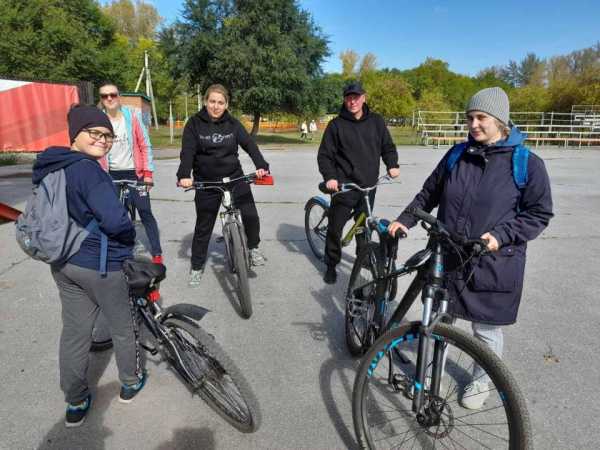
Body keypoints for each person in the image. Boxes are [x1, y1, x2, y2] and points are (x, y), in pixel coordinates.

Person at [388, 87, 553, 409]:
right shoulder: (456, 155)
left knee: (485, 329)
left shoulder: (527, 164)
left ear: (500, 121)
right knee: (437, 321)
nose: (473, 124)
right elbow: (428, 193)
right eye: (470, 118)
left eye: (481, 118)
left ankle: (482, 381)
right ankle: (427, 374)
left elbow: (539, 213)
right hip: (448, 255)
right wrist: (403, 220)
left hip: (493, 261)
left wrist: (502, 236)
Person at [33, 105, 146, 427]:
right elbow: (114, 220)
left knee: (75, 333)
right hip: (100, 264)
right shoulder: (89, 171)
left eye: (108, 136)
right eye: (94, 133)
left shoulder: (51, 165)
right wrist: (128, 236)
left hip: (63, 262)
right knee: (123, 326)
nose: (103, 140)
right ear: (76, 135)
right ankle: (129, 382)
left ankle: (76, 401)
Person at [177, 84, 270, 287]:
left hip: (234, 178)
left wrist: (261, 165)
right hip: (207, 182)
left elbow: (249, 145)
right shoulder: (194, 124)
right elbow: (188, 152)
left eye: (221, 102)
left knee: (251, 215)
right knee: (204, 227)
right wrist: (184, 174)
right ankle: (196, 266)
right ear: (205, 101)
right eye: (212, 101)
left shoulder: (233, 123)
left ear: (226, 104)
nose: (216, 106)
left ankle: (253, 248)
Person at [317, 82, 400, 284]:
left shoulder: (377, 122)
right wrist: (330, 177)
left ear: (364, 97)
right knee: (336, 229)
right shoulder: (336, 125)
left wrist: (392, 164)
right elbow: (325, 155)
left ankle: (362, 255)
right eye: (348, 97)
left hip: (368, 186)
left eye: (356, 97)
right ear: (345, 99)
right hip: (344, 186)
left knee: (363, 226)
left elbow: (387, 147)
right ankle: (331, 263)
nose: (352, 101)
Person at [98, 82, 163, 265]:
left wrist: (148, 174)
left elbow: (145, 144)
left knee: (145, 211)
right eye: (104, 96)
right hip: (111, 174)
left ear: (118, 96)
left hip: (135, 173)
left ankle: (157, 252)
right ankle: (119, 251)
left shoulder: (132, 116)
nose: (109, 98)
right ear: (101, 100)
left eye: (112, 94)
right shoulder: (99, 120)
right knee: (116, 214)